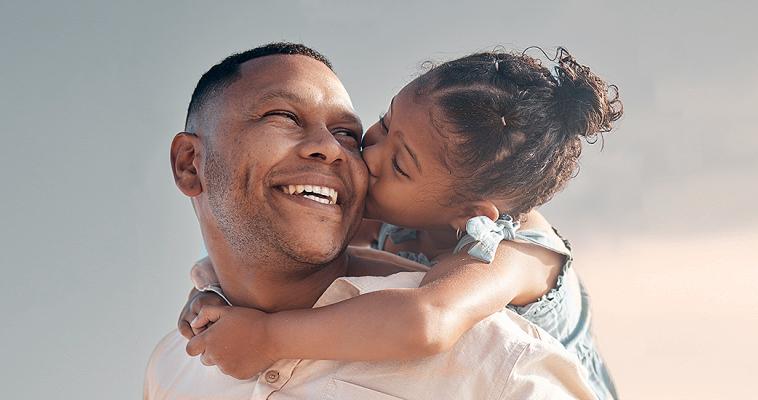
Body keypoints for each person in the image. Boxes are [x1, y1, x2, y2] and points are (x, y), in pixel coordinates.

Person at [144, 42, 597, 400]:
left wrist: (268, 335)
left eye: (400, 164)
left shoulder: (508, 257)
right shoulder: (169, 371)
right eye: (378, 129)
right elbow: (279, 247)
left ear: (471, 213)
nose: (360, 155)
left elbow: (425, 319)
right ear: (189, 164)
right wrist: (210, 291)